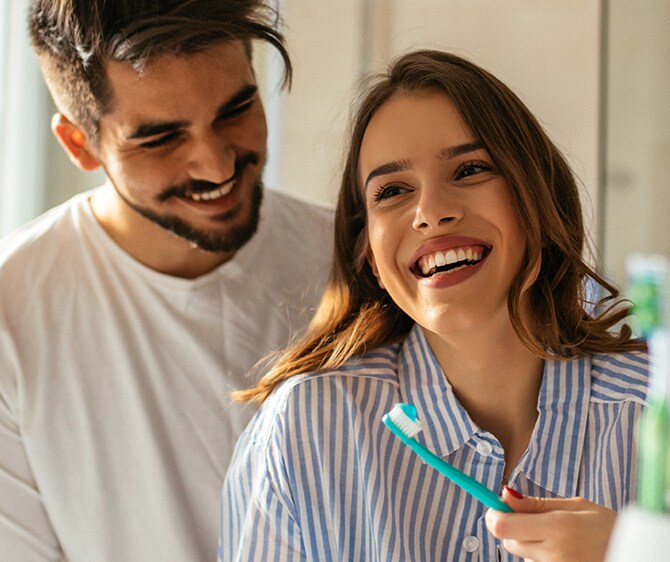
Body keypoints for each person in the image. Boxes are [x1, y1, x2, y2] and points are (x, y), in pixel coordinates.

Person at [0, 1, 333, 561]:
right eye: (160, 139)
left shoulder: (360, 262)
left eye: (236, 109)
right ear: (79, 144)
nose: (215, 165)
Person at [219, 49, 649, 562]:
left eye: (469, 170)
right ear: (371, 257)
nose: (431, 212)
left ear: (536, 198)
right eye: (393, 191)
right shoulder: (305, 429)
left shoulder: (653, 415)